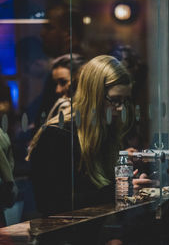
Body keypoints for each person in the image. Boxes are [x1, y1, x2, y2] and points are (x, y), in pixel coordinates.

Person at [26, 55, 151, 216]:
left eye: (124, 101)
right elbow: (53, 205)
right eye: (114, 100)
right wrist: (118, 190)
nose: (120, 108)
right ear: (94, 95)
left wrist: (129, 181)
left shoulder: (105, 132)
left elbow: (95, 190)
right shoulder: (57, 135)